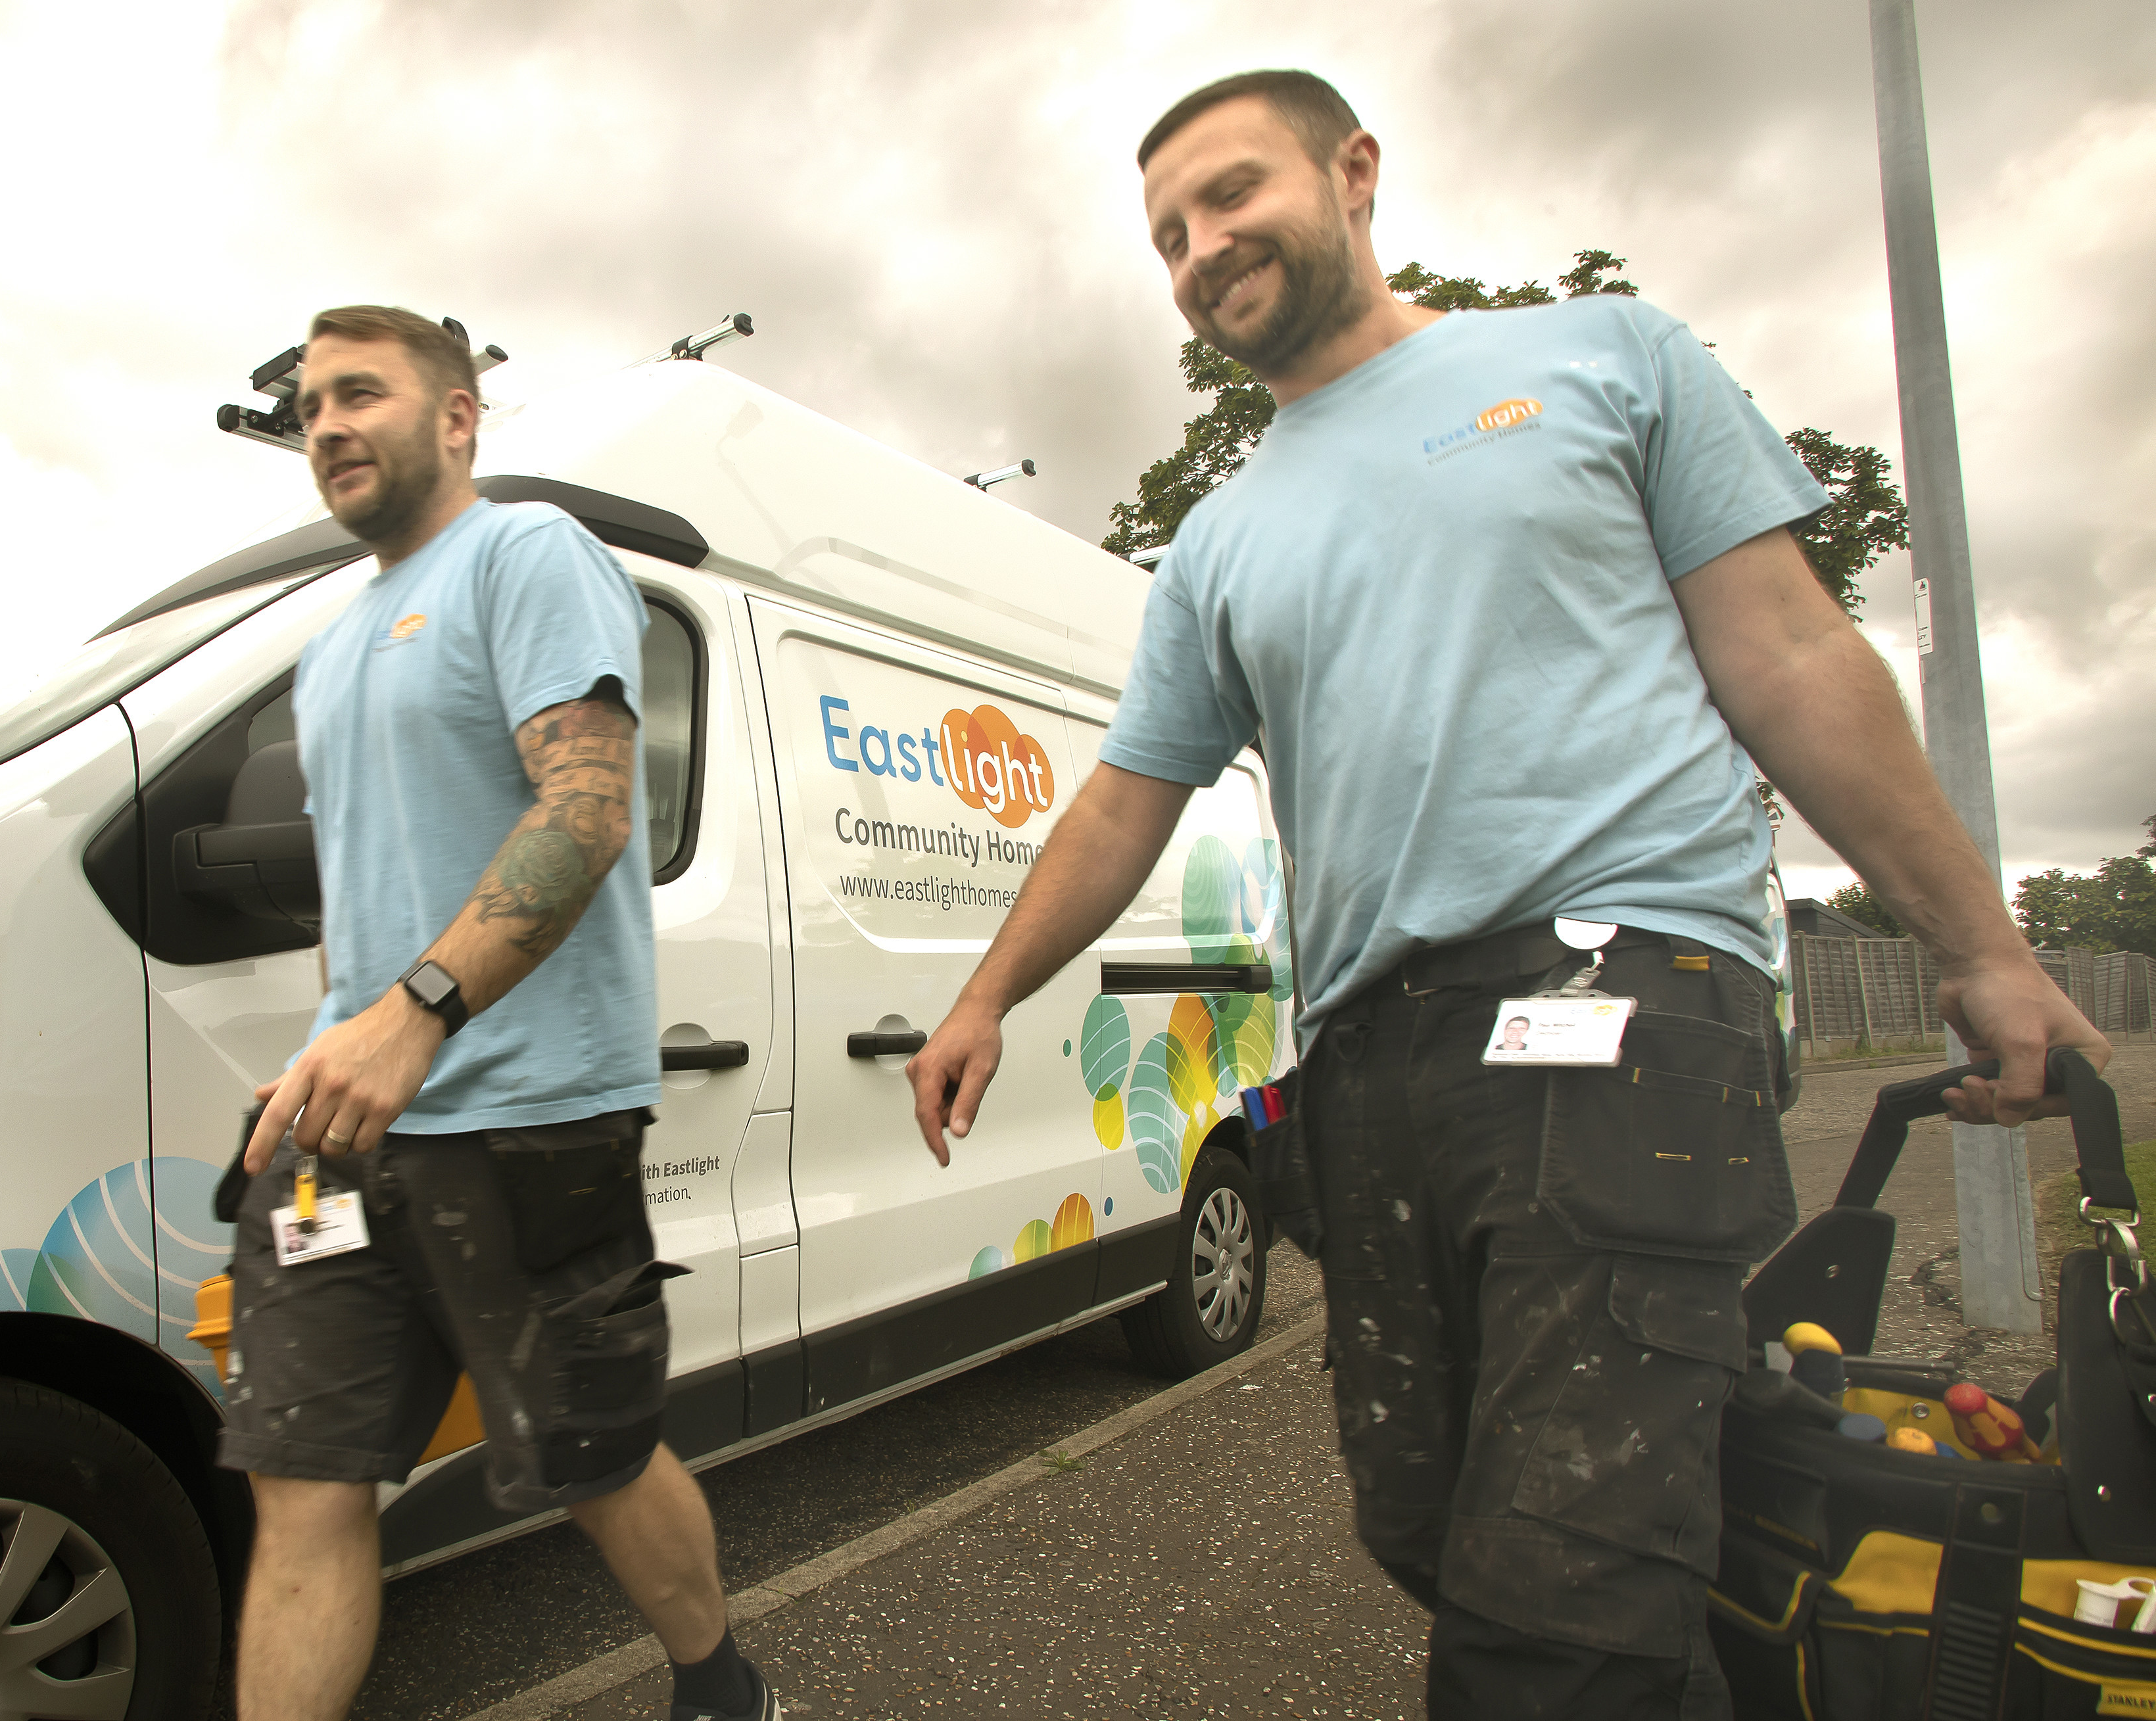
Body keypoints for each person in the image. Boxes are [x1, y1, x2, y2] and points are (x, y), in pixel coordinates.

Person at [904, 70, 2108, 1720]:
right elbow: (1128, 795)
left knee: (1555, 1600)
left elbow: (1793, 654)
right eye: (1169, 234)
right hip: (1372, 1065)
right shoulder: (1220, 538)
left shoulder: (1599, 358)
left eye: (1232, 194)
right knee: (1444, 1525)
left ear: (1355, 172)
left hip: (1622, 1006)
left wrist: (1982, 947)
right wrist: (984, 993)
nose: (1200, 249)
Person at [221, 304, 778, 1721]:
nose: (328, 424)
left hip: (525, 1123)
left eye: (362, 393)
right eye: (312, 407)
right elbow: (392, 880)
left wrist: (414, 1015)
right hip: (341, 1146)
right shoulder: (333, 644)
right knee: (304, 1490)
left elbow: (589, 809)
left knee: (589, 1460)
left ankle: (720, 1688)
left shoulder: (525, 556)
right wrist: (344, 1037)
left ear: (458, 418)